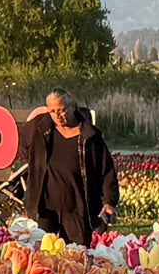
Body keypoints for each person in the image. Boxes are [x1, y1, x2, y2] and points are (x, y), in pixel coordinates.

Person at [20, 88, 118, 246]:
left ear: (72, 107)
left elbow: (106, 171)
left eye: (61, 110)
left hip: (78, 207)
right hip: (45, 207)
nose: (57, 116)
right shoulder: (40, 129)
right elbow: (25, 145)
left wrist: (109, 201)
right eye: (52, 111)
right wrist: (35, 163)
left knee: (76, 253)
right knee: (43, 253)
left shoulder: (90, 136)